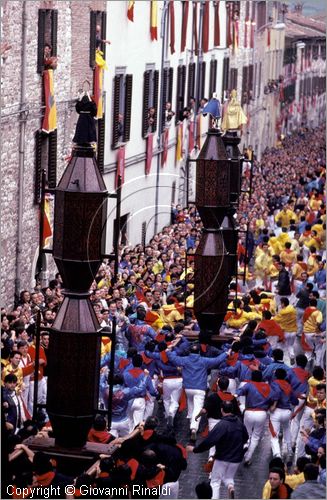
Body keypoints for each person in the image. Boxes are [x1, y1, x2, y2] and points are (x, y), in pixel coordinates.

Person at [187, 401, 248, 499]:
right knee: (229, 478)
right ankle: (230, 487)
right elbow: (245, 437)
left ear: (221, 410)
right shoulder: (240, 423)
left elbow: (209, 442)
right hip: (236, 459)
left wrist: (195, 450)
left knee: (215, 482)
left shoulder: (222, 425)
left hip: (222, 458)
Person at [166, 343, 228, 441]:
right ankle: (193, 428)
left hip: (188, 388)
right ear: (199, 352)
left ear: (190, 351)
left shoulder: (185, 360)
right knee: (197, 408)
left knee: (191, 407)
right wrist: (226, 353)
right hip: (199, 388)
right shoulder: (204, 360)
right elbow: (217, 360)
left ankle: (191, 423)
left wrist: (168, 351)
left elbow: (174, 359)